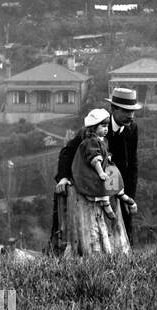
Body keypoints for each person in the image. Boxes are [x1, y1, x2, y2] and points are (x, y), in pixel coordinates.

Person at [56, 87, 141, 245]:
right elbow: (67, 152)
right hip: (94, 185)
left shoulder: (132, 128)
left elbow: (132, 164)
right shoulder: (94, 129)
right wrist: (63, 177)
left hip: (116, 183)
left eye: (133, 111)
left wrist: (130, 195)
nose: (131, 116)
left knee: (123, 229)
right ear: (113, 109)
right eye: (126, 111)